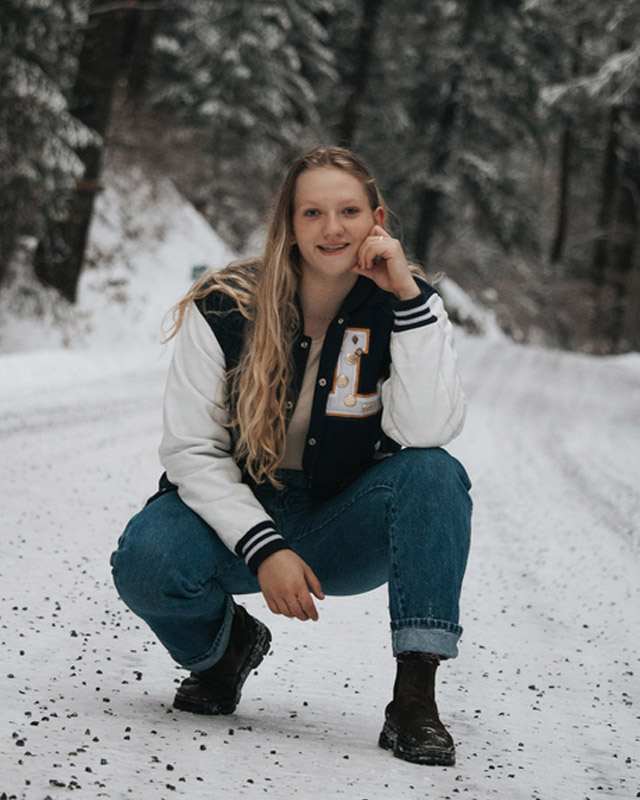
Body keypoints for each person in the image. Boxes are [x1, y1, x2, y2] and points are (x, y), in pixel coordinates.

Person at [110, 146, 472, 767]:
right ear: (289, 224)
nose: (333, 229)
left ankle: (414, 699)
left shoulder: (409, 307)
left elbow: (426, 430)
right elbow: (192, 449)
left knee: (435, 473)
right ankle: (226, 654)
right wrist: (266, 547)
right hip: (237, 518)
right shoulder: (225, 305)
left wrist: (407, 301)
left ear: (376, 219)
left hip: (342, 522)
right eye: (313, 213)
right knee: (145, 558)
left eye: (349, 211)